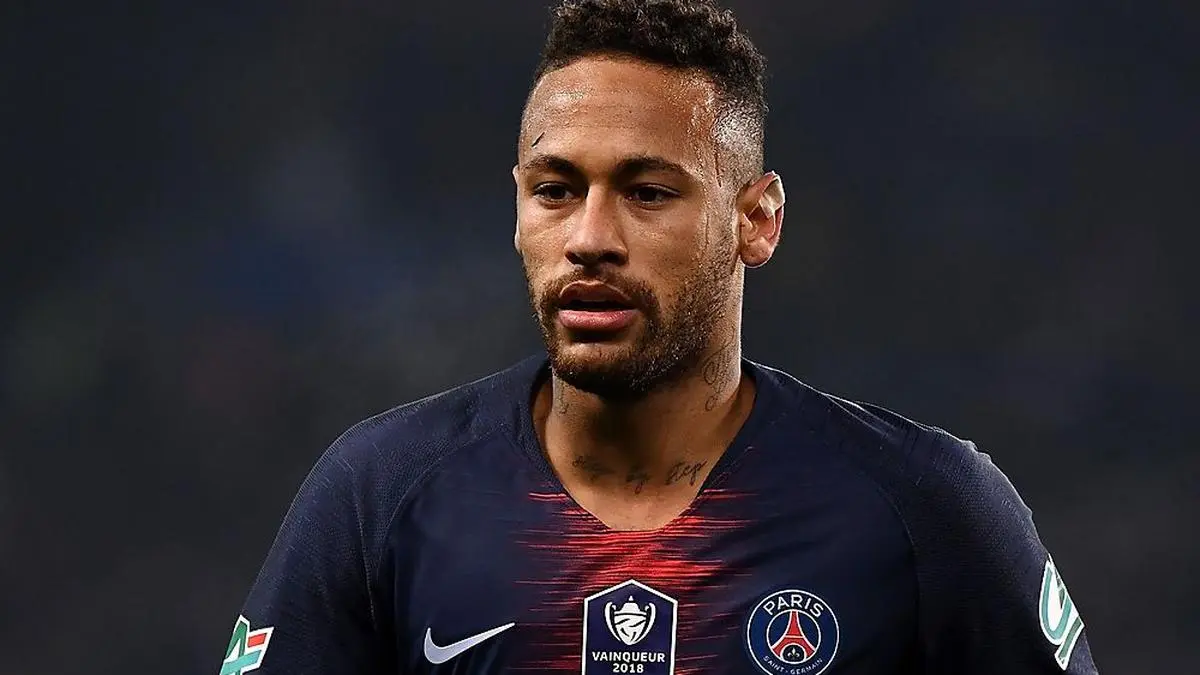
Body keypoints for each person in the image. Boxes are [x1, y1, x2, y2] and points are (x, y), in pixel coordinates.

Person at [221, 1, 1098, 673]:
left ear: (757, 220)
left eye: (647, 193)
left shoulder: (927, 505)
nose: (590, 237)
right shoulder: (378, 494)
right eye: (555, 190)